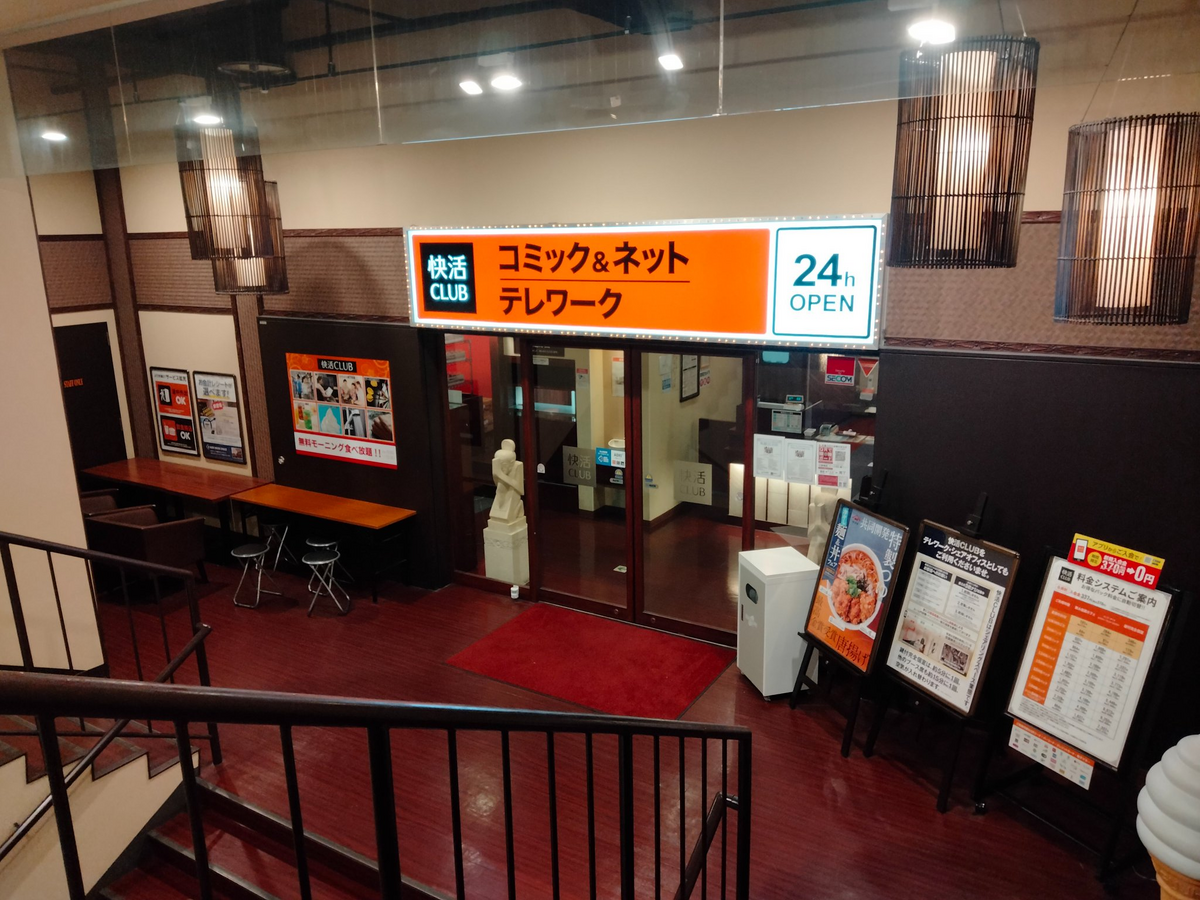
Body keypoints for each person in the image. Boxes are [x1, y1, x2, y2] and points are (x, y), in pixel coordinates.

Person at [489, 439, 524, 522]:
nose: (501, 468)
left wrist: (500, 474)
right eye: (499, 465)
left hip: (513, 496)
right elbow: (497, 483)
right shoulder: (500, 471)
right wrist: (496, 473)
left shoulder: (517, 466)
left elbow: (520, 489)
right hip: (502, 493)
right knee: (499, 491)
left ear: (511, 463)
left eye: (504, 464)